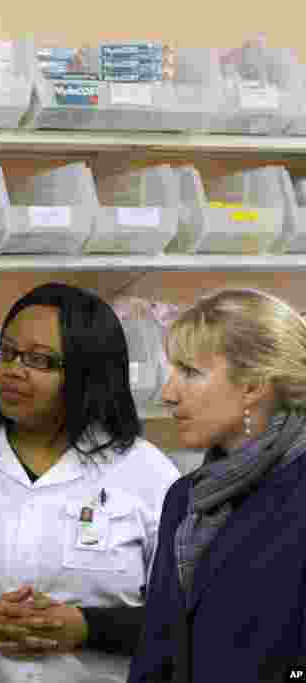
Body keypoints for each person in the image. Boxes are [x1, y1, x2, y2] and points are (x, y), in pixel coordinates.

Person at [0, 282, 181, 682]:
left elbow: (190, 618)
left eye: (39, 360)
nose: (12, 370)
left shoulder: (147, 474)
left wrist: (87, 627)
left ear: (89, 373)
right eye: (5, 352)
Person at [129, 289, 306, 683]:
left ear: (253, 385)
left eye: (190, 372)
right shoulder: (184, 497)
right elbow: (156, 652)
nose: (169, 394)